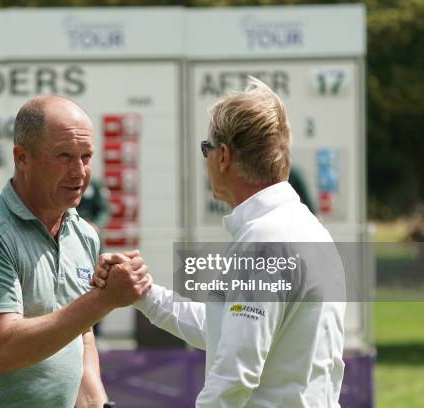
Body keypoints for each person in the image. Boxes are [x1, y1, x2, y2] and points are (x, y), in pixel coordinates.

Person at [95, 78, 346, 407]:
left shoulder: (264, 238)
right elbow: (228, 331)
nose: (207, 159)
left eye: (206, 149)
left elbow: (235, 373)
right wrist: (146, 295)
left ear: (224, 156)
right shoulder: (304, 227)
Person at [0, 95, 151, 408]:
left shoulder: (84, 235)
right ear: (22, 158)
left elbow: (81, 336)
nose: (79, 172)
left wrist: (99, 405)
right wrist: (104, 299)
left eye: (86, 156)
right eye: (63, 156)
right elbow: (6, 349)